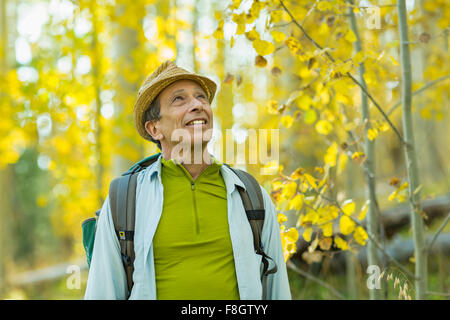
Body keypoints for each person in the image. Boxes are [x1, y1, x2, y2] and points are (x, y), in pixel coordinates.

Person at [84, 60, 291, 300]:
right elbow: (102, 293)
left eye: (201, 97)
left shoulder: (251, 195)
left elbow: (278, 292)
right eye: (179, 99)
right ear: (154, 129)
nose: (198, 105)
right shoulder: (124, 200)